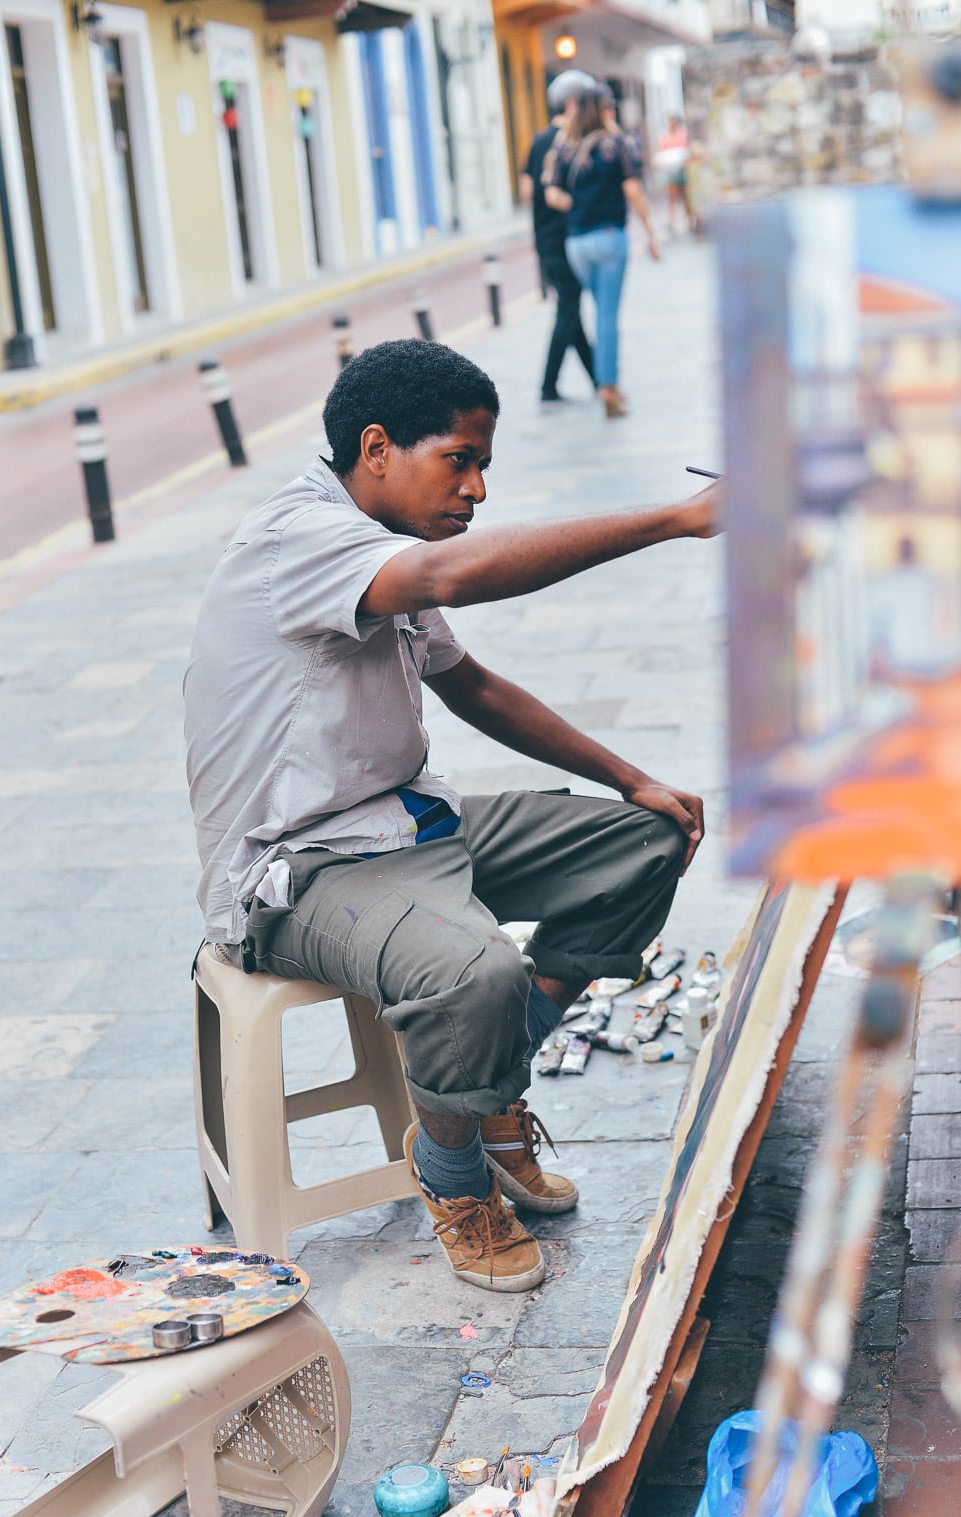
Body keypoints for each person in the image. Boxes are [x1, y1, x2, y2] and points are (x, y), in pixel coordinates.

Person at [183, 339, 720, 1294]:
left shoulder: (379, 540)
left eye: (483, 467)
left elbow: (470, 683)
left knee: (646, 843)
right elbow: (454, 575)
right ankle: (455, 1174)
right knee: (478, 969)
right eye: (458, 462)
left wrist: (632, 778)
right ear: (378, 447)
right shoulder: (297, 541)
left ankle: (489, 1083)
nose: (474, 491)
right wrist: (677, 519)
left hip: (407, 825)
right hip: (297, 872)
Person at [544, 86, 660, 420]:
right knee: (607, 315)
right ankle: (608, 386)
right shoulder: (618, 144)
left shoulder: (563, 147)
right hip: (609, 239)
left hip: (576, 244)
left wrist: (576, 204)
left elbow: (552, 194)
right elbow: (633, 190)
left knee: (599, 309)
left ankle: (606, 381)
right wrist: (651, 231)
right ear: (605, 109)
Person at [519, 68, 596, 404]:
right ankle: (547, 385)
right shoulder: (570, 142)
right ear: (571, 102)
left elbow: (525, 189)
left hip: (545, 237)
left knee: (571, 309)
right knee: (568, 308)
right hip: (566, 237)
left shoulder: (537, 141)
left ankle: (597, 378)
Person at [654, 114, 694, 235]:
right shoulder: (665, 136)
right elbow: (659, 151)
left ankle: (690, 220)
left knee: (686, 197)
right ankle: (671, 222)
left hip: (683, 169)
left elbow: (689, 150)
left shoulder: (683, 134)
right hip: (671, 171)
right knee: (672, 197)